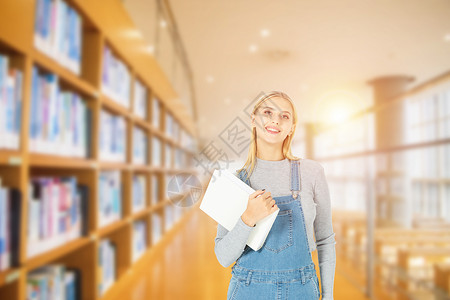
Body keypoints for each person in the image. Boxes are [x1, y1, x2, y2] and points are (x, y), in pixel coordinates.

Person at [214, 91, 336, 300]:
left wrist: (328, 296)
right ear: (254, 120)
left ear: (292, 128)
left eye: (284, 116)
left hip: (302, 289)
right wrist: (248, 219)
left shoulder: (312, 172)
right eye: (268, 112)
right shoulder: (236, 182)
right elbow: (224, 257)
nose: (275, 120)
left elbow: (325, 240)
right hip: (248, 289)